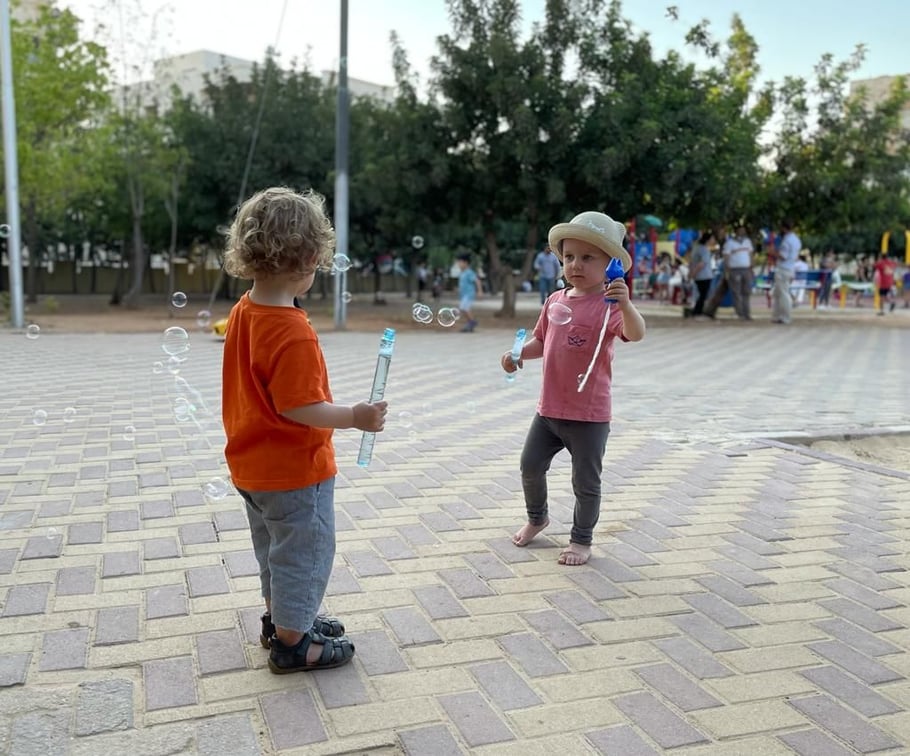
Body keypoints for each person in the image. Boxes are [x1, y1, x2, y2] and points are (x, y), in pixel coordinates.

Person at [220, 187, 388, 674]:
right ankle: (294, 643)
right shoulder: (291, 329)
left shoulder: (243, 311)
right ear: (313, 256)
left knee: (275, 549)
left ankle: (283, 619)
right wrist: (355, 416)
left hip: (251, 467)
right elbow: (301, 407)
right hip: (295, 471)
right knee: (305, 551)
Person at [501, 211, 646, 566]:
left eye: (587, 257)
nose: (575, 265)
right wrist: (518, 354)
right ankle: (538, 517)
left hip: (589, 416)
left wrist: (625, 302)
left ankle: (581, 540)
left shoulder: (610, 306)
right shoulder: (555, 301)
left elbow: (636, 332)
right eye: (569, 257)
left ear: (611, 264)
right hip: (549, 410)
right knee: (530, 465)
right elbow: (540, 341)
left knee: (585, 482)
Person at [771, 219, 801, 324]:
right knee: (779, 293)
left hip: (783, 267)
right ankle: (778, 315)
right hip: (790, 267)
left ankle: (785, 316)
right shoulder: (796, 239)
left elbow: (783, 256)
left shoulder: (787, 240)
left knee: (783, 293)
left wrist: (773, 252)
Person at [723, 225, 755, 320]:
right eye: (740, 231)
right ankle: (740, 313)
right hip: (735, 269)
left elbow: (750, 254)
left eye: (743, 231)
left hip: (746, 269)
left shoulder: (747, 242)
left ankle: (747, 313)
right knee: (736, 292)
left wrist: (752, 267)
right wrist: (727, 269)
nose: (742, 232)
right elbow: (726, 256)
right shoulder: (730, 243)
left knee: (747, 292)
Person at [684, 231, 715, 318]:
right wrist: (693, 273)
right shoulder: (704, 249)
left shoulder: (696, 248)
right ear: (708, 239)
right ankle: (697, 312)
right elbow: (702, 264)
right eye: (712, 238)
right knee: (703, 295)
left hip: (699, 276)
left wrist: (691, 273)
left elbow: (691, 262)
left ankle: (697, 311)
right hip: (704, 275)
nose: (714, 240)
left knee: (701, 294)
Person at [456, 252, 481, 332]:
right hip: (464, 295)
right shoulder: (462, 273)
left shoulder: (469, 272)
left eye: (460, 263)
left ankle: (472, 322)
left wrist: (480, 291)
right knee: (463, 308)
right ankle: (470, 323)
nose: (459, 265)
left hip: (469, 294)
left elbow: (477, 281)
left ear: (465, 263)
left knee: (465, 308)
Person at [872, 251, 898, 315]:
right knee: (885, 295)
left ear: (881, 257)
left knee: (881, 297)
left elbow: (874, 265)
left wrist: (878, 260)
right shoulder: (891, 263)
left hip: (883, 283)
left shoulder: (880, 263)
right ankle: (892, 303)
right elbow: (895, 265)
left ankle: (881, 311)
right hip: (890, 282)